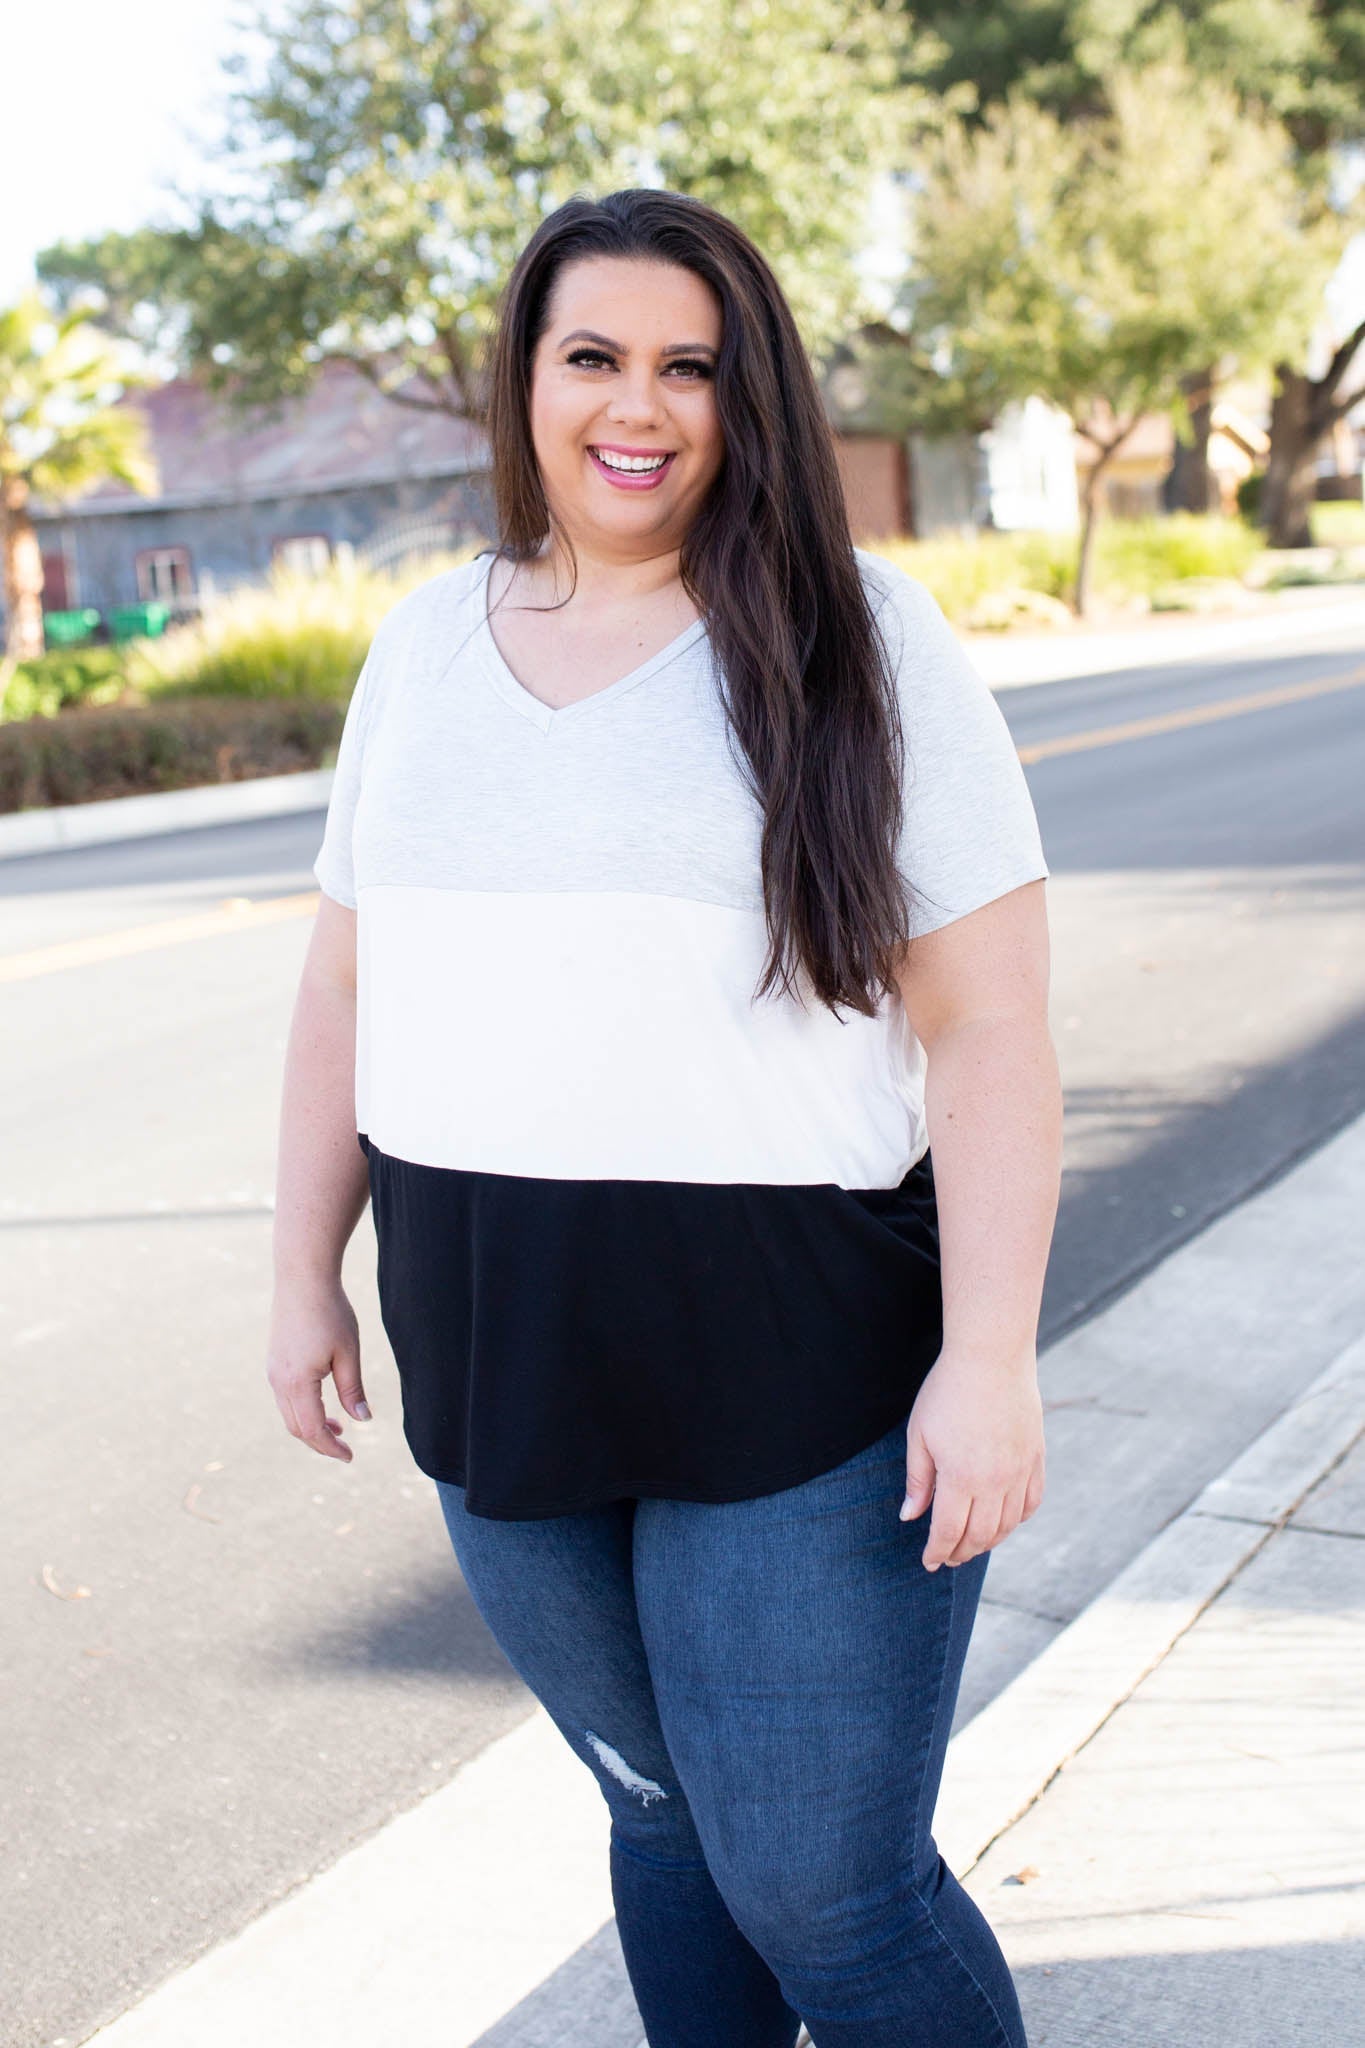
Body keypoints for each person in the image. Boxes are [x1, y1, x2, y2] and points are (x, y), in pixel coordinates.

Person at [268, 187, 1062, 2048]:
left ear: (747, 394)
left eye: (689, 365)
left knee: (826, 1893)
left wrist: (993, 1363)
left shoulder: (862, 637)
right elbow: (339, 986)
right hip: (500, 1366)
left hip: (800, 1384)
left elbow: (997, 1035)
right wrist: (301, 1272)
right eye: (594, 357)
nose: (642, 406)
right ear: (525, 382)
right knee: (657, 1815)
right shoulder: (423, 647)